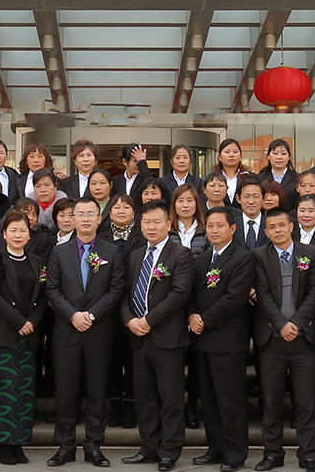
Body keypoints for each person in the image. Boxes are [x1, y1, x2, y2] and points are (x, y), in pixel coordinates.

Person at [46, 198, 127, 468]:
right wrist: (73, 315)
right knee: (65, 392)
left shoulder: (111, 251)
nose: (84, 219)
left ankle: (94, 445)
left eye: (90, 214)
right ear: (72, 218)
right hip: (66, 332)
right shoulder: (59, 252)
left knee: (97, 392)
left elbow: (116, 289)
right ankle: (65, 446)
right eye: (79, 214)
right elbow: (52, 289)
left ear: (99, 219)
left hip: (98, 331)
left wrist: (91, 315)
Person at [119, 200, 194, 472]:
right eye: (147, 222)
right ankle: (149, 447)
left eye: (157, 222)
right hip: (139, 338)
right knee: (145, 397)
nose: (151, 227)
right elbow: (125, 293)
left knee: (171, 398)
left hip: (167, 338)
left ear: (168, 224)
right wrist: (130, 320)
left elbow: (179, 294)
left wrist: (148, 320)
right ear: (140, 226)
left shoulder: (181, 254)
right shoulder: (136, 255)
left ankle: (169, 451)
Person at [253, 207, 315, 471]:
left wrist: (296, 323)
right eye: (272, 227)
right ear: (266, 231)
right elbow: (262, 293)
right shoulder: (259, 255)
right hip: (271, 339)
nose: (278, 231)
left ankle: (309, 456)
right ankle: (272, 454)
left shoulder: (310, 253)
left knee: (306, 402)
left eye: (282, 225)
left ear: (291, 226)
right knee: (271, 402)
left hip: (304, 338)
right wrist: (281, 324)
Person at [187, 206, 256, 472]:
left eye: (220, 226)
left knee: (230, 401)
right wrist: (192, 314)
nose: (214, 230)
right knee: (209, 400)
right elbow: (191, 292)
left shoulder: (243, 258)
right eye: (210, 226)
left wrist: (204, 319)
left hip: (228, 341)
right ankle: (215, 448)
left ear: (232, 228)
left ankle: (235, 453)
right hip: (202, 340)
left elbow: (235, 298)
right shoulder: (203, 258)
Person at [0, 210, 47, 465]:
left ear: (29, 235)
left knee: (24, 393)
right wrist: (19, 322)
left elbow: (42, 296)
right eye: (13, 230)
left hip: (27, 337)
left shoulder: (35, 261)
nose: (18, 235)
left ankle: (18, 442)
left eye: (23, 230)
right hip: (2, 335)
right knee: (2, 392)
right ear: (4, 234)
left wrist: (32, 322)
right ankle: (1, 445)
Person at [171, 185, 209, 258]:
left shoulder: (206, 230)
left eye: (189, 200)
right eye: (180, 201)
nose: (185, 205)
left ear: (196, 204)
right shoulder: (167, 230)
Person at [212, 138, 251, 203]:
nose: (231, 155)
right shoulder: (212, 178)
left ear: (240, 156)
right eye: (227, 152)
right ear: (219, 157)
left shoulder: (249, 177)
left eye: (235, 152)